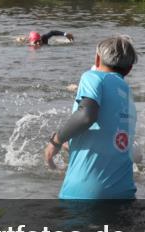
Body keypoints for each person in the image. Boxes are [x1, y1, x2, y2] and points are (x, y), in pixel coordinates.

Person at [44, 36, 138, 199]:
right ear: (129, 69)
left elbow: (86, 116)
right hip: (125, 193)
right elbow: (109, 136)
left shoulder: (92, 77)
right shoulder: (128, 94)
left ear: (97, 58)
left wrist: (56, 141)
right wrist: (71, 142)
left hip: (86, 195)